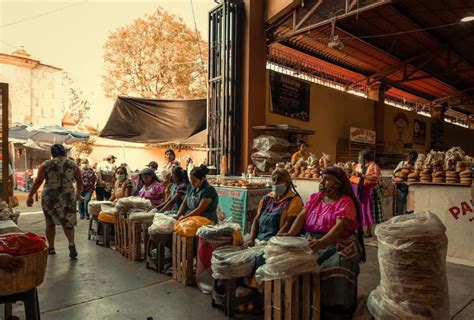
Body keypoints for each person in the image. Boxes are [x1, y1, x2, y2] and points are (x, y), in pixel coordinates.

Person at [281, 167, 365, 319]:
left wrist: (321, 243)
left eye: (327, 179)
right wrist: (290, 234)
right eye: (322, 178)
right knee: (294, 263)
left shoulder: (345, 202)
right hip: (312, 239)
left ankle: (336, 309)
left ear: (338, 183)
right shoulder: (315, 198)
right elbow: (301, 217)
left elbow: (338, 229)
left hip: (339, 242)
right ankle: (307, 304)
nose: (322, 181)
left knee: (336, 265)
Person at [27, 144, 82, 259]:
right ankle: (71, 243)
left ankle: (51, 248)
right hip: (68, 196)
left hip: (50, 197)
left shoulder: (46, 164)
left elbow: (38, 181)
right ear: (64, 153)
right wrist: (77, 194)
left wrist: (31, 195)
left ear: (52, 154)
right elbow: (79, 181)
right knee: (68, 221)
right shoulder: (72, 164)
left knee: (50, 222)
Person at [245, 169, 303, 247]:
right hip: (259, 240)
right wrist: (251, 239)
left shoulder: (294, 200)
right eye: (273, 180)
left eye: (279, 180)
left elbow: (288, 224)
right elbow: (256, 219)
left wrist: (273, 243)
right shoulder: (267, 198)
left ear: (287, 182)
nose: (275, 183)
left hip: (277, 243)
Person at [350, 150, 382, 238]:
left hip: (369, 191)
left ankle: (369, 231)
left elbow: (375, 177)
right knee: (360, 210)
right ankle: (359, 229)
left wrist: (362, 176)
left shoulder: (374, 166)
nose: (358, 158)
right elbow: (354, 176)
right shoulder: (358, 166)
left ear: (365, 158)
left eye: (360, 156)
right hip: (359, 191)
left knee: (369, 211)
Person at [393, 150, 418, 215]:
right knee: (411, 203)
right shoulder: (416, 164)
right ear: (416, 157)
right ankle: (408, 217)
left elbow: (394, 172)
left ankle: (399, 217)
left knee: (401, 202)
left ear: (408, 156)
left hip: (403, 185)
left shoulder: (402, 163)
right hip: (413, 185)